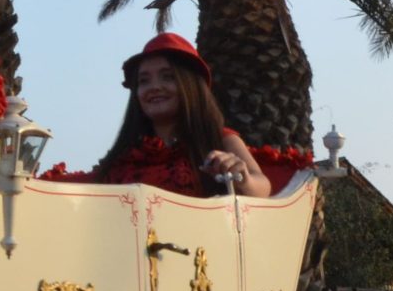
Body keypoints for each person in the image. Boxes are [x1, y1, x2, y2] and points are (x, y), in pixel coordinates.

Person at [88, 33, 274, 198]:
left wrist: (241, 178)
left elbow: (263, 188)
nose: (154, 87)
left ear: (191, 85)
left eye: (168, 77)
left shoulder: (221, 140)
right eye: (144, 81)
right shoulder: (125, 154)